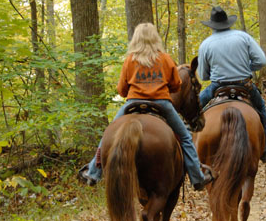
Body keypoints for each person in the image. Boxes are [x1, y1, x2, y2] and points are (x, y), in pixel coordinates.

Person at [78, 23, 213, 190]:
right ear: (154, 38)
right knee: (185, 137)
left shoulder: (130, 60)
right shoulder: (165, 59)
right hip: (161, 104)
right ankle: (197, 177)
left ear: (136, 39)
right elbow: (176, 85)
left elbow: (121, 90)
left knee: (108, 135)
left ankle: (93, 173)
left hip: (132, 104)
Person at [198, 6, 266, 163]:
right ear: (228, 23)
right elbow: (262, 61)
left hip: (217, 87)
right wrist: (246, 67)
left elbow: (204, 75)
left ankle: (190, 154)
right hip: (244, 85)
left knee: (194, 111)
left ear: (212, 25)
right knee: (261, 109)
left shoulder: (206, 44)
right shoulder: (243, 37)